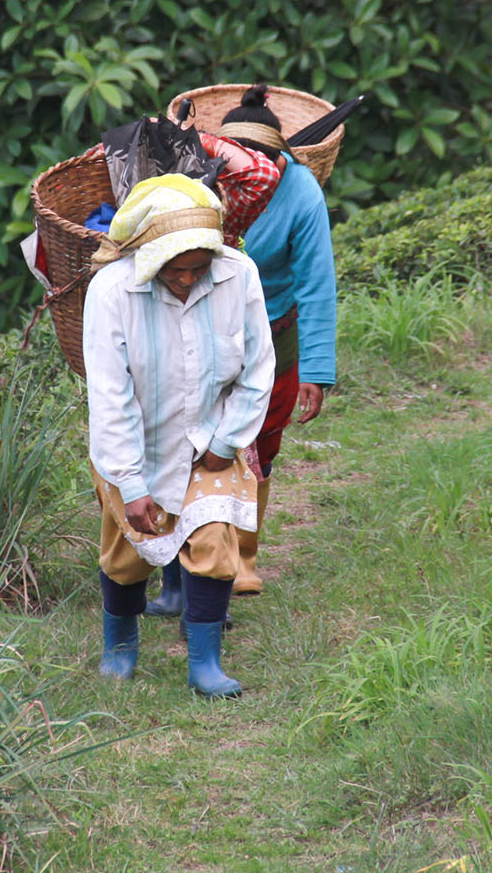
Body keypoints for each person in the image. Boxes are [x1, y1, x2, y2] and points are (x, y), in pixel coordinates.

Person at [146, 85, 337, 612]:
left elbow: (317, 284)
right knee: (193, 439)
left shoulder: (300, 194)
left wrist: (316, 372)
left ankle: (244, 554)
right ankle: (191, 564)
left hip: (274, 330)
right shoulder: (199, 183)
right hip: (202, 326)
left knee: (261, 441)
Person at [84, 174, 274, 697]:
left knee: (213, 543)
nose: (187, 280)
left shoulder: (240, 276)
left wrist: (226, 441)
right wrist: (131, 480)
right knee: (126, 555)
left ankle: (204, 664)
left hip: (210, 439)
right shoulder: (112, 291)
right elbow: (109, 394)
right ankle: (119, 648)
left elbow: (258, 368)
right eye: (175, 271)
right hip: (135, 447)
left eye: (198, 268)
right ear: (148, 258)